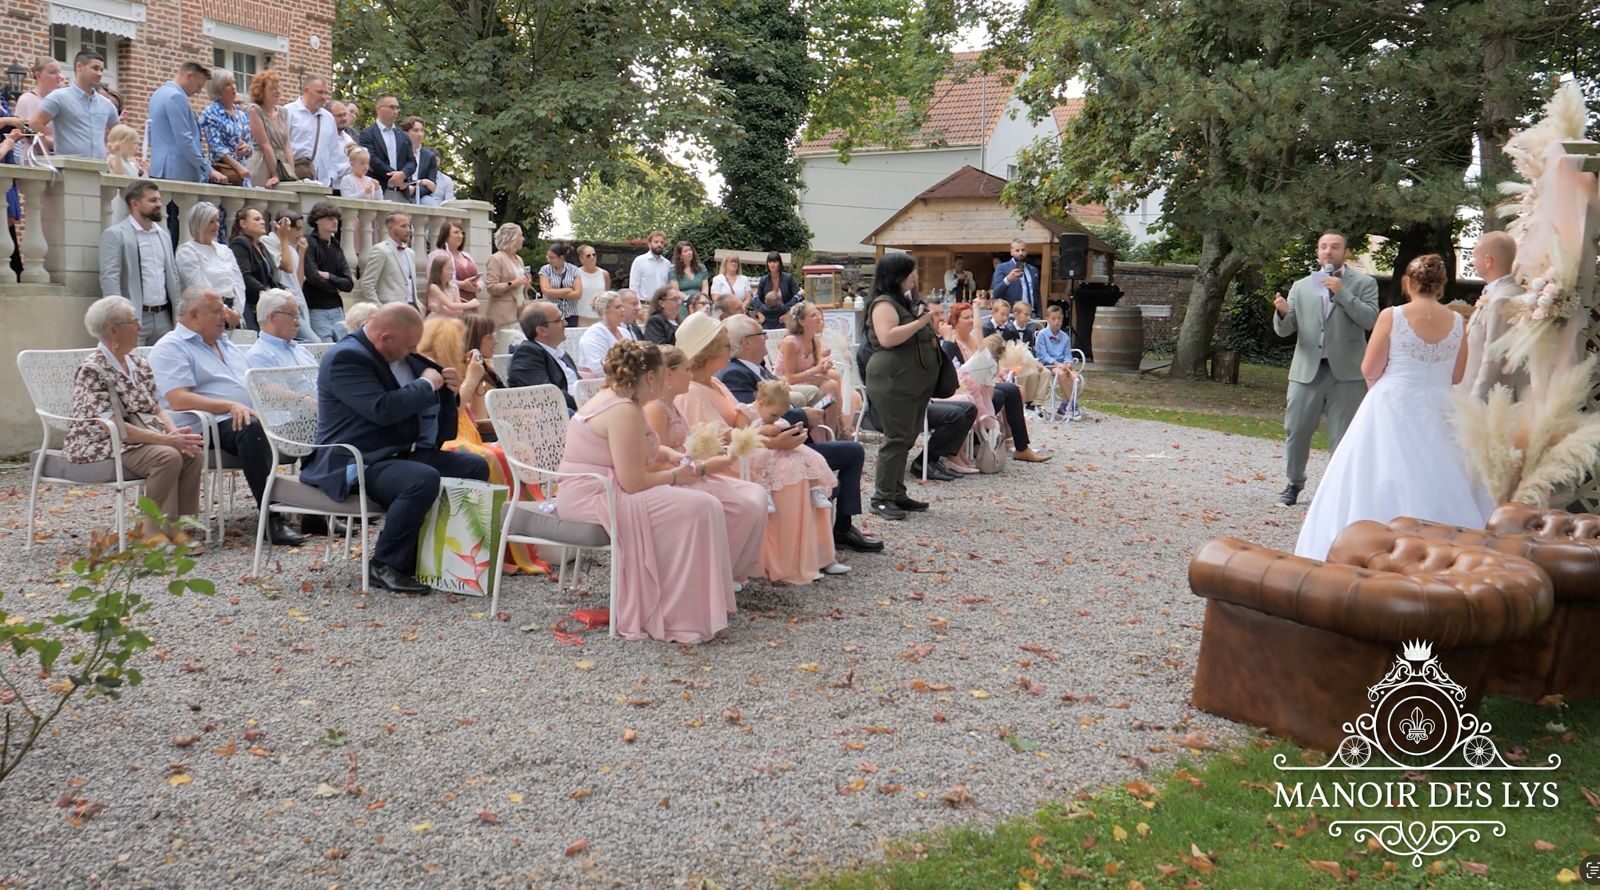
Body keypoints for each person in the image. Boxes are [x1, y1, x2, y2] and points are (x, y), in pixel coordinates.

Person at [1294, 255, 1495, 559]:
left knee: (1375, 472)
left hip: (1392, 400)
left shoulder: (1392, 315)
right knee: (1444, 472)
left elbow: (1369, 367)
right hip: (1442, 405)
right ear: (1441, 286)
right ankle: (1444, 549)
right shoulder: (1458, 321)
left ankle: (1364, 546)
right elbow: (1456, 375)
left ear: (1407, 282)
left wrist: (1384, 390)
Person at [556, 339, 746, 642]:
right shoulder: (623, 409)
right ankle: (673, 613)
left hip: (612, 485)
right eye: (663, 374)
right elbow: (633, 481)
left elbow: (636, 452)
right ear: (650, 378)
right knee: (699, 507)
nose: (667, 380)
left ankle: (689, 607)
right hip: (594, 495)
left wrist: (667, 457)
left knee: (703, 505)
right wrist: (676, 476)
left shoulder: (628, 402)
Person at [302, 303, 489, 593]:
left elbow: (436, 414)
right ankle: (385, 564)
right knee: (420, 478)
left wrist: (448, 392)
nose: (413, 351)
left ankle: (441, 555)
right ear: (385, 338)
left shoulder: (405, 356)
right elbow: (383, 409)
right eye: (409, 345)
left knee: (472, 466)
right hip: (357, 459)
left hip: (400, 452)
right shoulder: (345, 358)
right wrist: (427, 384)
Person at [675, 313, 843, 584]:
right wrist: (773, 441)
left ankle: (816, 555)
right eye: (725, 345)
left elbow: (744, 417)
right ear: (707, 352)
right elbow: (718, 439)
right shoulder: (692, 390)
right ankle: (780, 561)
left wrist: (773, 428)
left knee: (804, 456)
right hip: (725, 459)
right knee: (791, 463)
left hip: (744, 447)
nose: (731, 349)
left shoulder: (714, 382)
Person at [149, 287, 305, 547]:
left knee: (309, 424)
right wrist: (230, 405)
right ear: (194, 315)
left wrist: (295, 400)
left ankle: (321, 511)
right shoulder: (171, 347)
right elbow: (178, 399)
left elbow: (252, 383)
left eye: (224, 309)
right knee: (250, 428)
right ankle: (272, 519)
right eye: (217, 310)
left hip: (243, 416)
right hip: (203, 425)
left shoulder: (225, 343)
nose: (226, 315)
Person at [715, 314, 881, 554]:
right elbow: (755, 420)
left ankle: (842, 525)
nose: (766, 338)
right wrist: (803, 415)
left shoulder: (756, 368)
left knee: (850, 450)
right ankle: (841, 527)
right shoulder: (735, 374)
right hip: (774, 448)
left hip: (791, 439)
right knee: (852, 451)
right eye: (761, 334)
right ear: (746, 342)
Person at [415, 315, 549, 576]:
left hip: (466, 437)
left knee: (507, 454)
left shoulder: (461, 367)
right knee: (493, 456)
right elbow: (449, 411)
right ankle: (494, 548)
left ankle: (516, 542)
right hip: (447, 441)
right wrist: (471, 380)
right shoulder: (431, 368)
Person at [67, 296, 205, 547]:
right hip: (104, 441)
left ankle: (173, 526)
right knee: (167, 456)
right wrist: (167, 440)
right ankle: (149, 529)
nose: (140, 327)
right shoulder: (92, 369)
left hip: (141, 435)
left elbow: (156, 408)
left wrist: (176, 435)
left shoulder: (139, 363)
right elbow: (112, 425)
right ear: (113, 329)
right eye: (134, 322)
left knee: (191, 451)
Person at [640, 345, 769, 578]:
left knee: (756, 495)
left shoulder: (672, 405)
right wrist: (702, 466)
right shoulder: (656, 409)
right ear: (668, 374)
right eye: (686, 370)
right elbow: (654, 459)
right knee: (741, 506)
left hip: (688, 470)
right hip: (673, 479)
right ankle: (714, 574)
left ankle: (729, 569)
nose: (691, 375)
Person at [1272, 230, 1381, 505]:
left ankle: (1337, 490)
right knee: (1296, 431)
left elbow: (1370, 320)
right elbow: (1286, 330)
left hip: (1346, 374)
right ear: (1318, 253)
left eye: (1334, 247)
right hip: (1307, 370)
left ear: (1345, 253)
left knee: (1342, 437)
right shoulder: (1301, 285)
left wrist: (1342, 294)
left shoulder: (1365, 283)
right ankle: (1294, 483)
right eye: (1323, 247)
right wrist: (1283, 311)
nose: (1328, 251)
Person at [861, 253, 938, 519]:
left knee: (907, 435)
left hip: (910, 380)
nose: (915, 277)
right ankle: (881, 497)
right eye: (911, 272)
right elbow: (888, 337)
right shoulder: (883, 304)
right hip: (891, 381)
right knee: (895, 438)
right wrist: (920, 323)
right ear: (897, 276)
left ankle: (896, 491)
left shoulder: (901, 301)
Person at [947, 302, 1049, 463]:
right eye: (966, 318)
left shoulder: (973, 340)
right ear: (956, 321)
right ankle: (981, 441)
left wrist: (998, 372)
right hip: (964, 388)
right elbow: (955, 373)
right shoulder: (952, 343)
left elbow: (984, 361)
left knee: (1013, 389)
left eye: (972, 317)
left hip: (982, 385)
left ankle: (1021, 447)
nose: (971, 320)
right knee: (1003, 393)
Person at [99, 180, 183, 345]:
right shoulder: (115, 234)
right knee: (134, 367)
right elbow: (110, 279)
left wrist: (177, 315)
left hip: (165, 317)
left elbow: (173, 276)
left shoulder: (163, 235)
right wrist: (119, 318)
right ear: (135, 203)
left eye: (158, 199)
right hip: (134, 317)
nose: (159, 204)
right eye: (152, 200)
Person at [1460, 230, 1527, 400]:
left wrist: (1475, 400)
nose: (1473, 262)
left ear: (1488, 260)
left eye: (1474, 256)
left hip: (1487, 400)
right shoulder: (1504, 293)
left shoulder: (1502, 299)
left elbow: (1493, 356)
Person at [777, 302, 850, 435]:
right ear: (801, 322)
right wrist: (817, 370)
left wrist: (824, 365)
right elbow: (790, 378)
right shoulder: (791, 342)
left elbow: (818, 365)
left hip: (805, 379)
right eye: (813, 315)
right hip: (786, 383)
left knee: (832, 382)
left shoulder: (814, 340)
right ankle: (835, 431)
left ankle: (832, 433)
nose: (818, 318)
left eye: (818, 314)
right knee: (831, 385)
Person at [148, 63, 226, 184]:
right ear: (189, 76)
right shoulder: (176, 97)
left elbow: (151, 133)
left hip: (159, 169)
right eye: (199, 85)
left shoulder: (158, 94)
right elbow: (185, 139)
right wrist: (208, 170)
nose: (199, 91)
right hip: (177, 171)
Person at [30, 50, 116, 160]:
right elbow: (35, 122)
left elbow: (119, 133)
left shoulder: (106, 104)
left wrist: (110, 154)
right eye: (95, 68)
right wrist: (46, 154)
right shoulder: (59, 97)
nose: (99, 74)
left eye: (101, 70)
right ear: (79, 66)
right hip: (69, 167)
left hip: (99, 168)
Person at [174, 201, 246, 316]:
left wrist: (237, 311)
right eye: (211, 221)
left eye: (217, 220)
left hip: (232, 312)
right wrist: (224, 311)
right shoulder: (187, 252)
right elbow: (199, 287)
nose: (216, 225)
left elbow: (238, 283)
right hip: (207, 313)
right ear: (199, 224)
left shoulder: (225, 250)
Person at [507, 300, 578, 413]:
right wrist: (583, 403)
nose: (565, 323)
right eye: (559, 320)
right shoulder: (527, 354)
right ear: (542, 330)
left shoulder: (561, 354)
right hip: (549, 419)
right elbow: (547, 394)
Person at [303, 201, 353, 340]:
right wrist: (337, 285)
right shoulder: (310, 243)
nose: (334, 222)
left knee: (344, 347)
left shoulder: (336, 246)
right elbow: (313, 277)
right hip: (316, 308)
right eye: (330, 218)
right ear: (318, 220)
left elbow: (349, 283)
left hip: (337, 308)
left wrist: (329, 276)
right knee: (324, 348)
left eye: (336, 218)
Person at [197, 70, 253, 186]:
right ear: (218, 89)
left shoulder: (241, 115)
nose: (233, 87)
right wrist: (239, 168)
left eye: (233, 82)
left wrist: (246, 148)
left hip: (241, 174)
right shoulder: (210, 113)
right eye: (228, 84)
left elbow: (249, 145)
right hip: (221, 172)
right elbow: (216, 147)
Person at [284, 76, 341, 187]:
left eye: (326, 93)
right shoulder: (288, 111)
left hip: (322, 182)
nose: (324, 97)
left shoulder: (328, 118)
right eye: (319, 92)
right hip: (293, 179)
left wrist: (331, 176)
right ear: (306, 90)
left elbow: (334, 150)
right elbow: (281, 144)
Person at [357, 94, 415, 199]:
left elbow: (412, 161)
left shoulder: (403, 136)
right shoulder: (368, 133)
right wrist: (394, 176)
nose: (396, 111)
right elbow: (372, 159)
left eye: (397, 108)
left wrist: (403, 174)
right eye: (392, 107)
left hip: (401, 191)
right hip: (378, 188)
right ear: (378, 108)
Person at [1033, 304, 1083, 420]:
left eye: (1059, 318)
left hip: (1062, 364)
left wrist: (1068, 363)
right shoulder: (1042, 335)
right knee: (1061, 374)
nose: (1057, 321)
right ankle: (1073, 405)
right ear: (1047, 319)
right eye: (1053, 319)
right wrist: (1056, 363)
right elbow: (1042, 355)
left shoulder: (1065, 337)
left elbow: (1067, 355)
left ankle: (1063, 407)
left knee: (1075, 377)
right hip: (1049, 364)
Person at [245, 288, 317, 368]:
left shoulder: (302, 352)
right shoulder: (258, 356)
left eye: (297, 317)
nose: (298, 323)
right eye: (292, 315)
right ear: (272, 317)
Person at [357, 211, 417, 306]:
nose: (408, 230)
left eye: (408, 226)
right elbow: (367, 284)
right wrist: (380, 308)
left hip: (412, 307)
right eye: (403, 226)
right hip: (390, 309)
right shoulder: (381, 250)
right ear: (390, 228)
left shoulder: (411, 253)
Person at [244, 69, 292, 188]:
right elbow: (265, 144)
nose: (277, 92)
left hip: (282, 164)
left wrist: (291, 173)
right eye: (273, 88)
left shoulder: (283, 112)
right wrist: (274, 174)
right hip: (262, 164)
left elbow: (287, 145)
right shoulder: (255, 110)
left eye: (278, 88)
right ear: (261, 91)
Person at [229, 206, 274, 329]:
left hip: (264, 303)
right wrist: (265, 292)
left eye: (262, 219)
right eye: (257, 219)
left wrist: (282, 290)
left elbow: (269, 276)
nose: (263, 222)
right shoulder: (239, 243)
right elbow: (244, 275)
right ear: (243, 223)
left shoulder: (262, 246)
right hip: (249, 305)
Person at [483, 223, 532, 331]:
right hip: (502, 315)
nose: (523, 239)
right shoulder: (496, 258)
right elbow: (491, 287)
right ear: (512, 238)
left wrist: (526, 283)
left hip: (520, 312)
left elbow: (521, 287)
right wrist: (513, 283)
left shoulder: (519, 259)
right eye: (520, 236)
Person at [578, 291, 636, 375]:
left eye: (622, 306)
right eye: (617, 307)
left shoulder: (625, 332)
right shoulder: (595, 333)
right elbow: (598, 368)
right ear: (605, 311)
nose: (623, 310)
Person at [432, 221, 482, 313]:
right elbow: (434, 279)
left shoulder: (467, 255)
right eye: (456, 232)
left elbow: (480, 279)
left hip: (471, 301)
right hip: (450, 305)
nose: (460, 236)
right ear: (445, 235)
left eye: (462, 233)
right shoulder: (437, 255)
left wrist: (477, 287)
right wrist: (462, 284)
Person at [13, 59, 61, 151]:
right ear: (38, 75)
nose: (59, 76)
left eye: (59, 72)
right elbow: (30, 135)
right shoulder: (27, 99)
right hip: (34, 160)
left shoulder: (57, 100)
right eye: (53, 72)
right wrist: (60, 145)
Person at [991, 238, 1043, 316]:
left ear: (1027, 251)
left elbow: (1036, 295)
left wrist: (1039, 314)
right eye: (1017, 250)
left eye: (1023, 250)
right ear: (1011, 252)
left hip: (1031, 314)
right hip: (1012, 314)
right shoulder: (1002, 268)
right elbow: (996, 292)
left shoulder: (1033, 270)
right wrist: (1008, 279)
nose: (1020, 253)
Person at [754, 252, 802, 330]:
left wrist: (788, 314)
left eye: (775, 262)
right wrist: (759, 313)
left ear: (779, 263)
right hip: (768, 316)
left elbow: (799, 298)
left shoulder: (788, 278)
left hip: (785, 313)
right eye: (770, 262)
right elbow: (756, 299)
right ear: (767, 264)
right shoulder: (763, 280)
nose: (772, 264)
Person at [425, 252, 478, 317]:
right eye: (449, 269)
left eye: (452, 269)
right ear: (439, 271)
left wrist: (444, 309)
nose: (452, 272)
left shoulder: (454, 287)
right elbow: (450, 305)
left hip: (450, 320)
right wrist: (470, 304)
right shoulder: (434, 287)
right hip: (437, 320)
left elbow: (459, 311)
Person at [538, 242, 579, 326]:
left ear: (561, 258)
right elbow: (546, 292)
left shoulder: (574, 269)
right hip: (551, 313)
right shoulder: (545, 270)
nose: (549, 260)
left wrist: (554, 292)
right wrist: (568, 290)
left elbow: (577, 294)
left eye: (552, 258)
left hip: (571, 314)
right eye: (548, 257)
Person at [401, 117, 441, 203]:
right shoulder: (398, 152)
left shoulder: (429, 156)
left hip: (422, 195)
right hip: (401, 193)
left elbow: (432, 186)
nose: (420, 134)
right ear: (406, 133)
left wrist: (415, 190)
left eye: (422, 131)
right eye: (415, 130)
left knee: (433, 208)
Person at [628, 230, 672, 301]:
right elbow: (634, 286)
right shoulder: (639, 261)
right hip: (644, 304)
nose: (659, 245)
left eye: (662, 242)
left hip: (662, 306)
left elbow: (668, 286)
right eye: (656, 242)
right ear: (649, 244)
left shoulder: (667, 264)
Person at [573, 244, 610, 324]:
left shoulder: (604, 274)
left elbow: (607, 296)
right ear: (581, 259)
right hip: (582, 318)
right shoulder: (575, 274)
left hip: (600, 318)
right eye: (588, 256)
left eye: (594, 255)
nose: (592, 257)